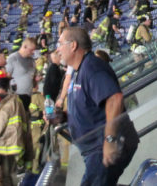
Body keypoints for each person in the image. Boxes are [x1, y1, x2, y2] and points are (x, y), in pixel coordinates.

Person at [58, 27, 139, 186]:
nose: (58, 49)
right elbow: (87, 107)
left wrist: (110, 140)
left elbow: (114, 99)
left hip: (103, 146)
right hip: (94, 149)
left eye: (60, 44)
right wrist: (62, 116)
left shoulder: (92, 67)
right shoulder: (79, 71)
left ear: (73, 45)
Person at [6, 37, 37, 110]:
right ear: (24, 46)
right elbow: (7, 77)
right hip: (15, 97)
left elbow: (33, 77)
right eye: (31, 50)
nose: (33, 52)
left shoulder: (32, 61)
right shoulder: (12, 58)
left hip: (28, 97)